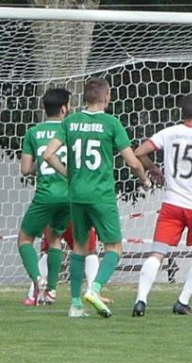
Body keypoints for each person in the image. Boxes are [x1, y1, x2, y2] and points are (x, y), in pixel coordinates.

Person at [44, 77, 149, 318]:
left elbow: (49, 155)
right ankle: (95, 288)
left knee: (79, 248)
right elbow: (132, 161)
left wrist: (69, 175)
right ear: (107, 97)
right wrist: (143, 178)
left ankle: (75, 305)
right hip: (101, 195)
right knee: (115, 247)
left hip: (77, 194)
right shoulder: (111, 123)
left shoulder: (70, 122)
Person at [131, 93, 192, 317]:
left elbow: (138, 153)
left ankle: (141, 299)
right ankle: (182, 301)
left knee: (157, 253)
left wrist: (153, 169)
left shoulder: (169, 133)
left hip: (171, 204)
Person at [18, 88, 72, 307]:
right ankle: (51, 292)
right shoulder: (71, 130)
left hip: (46, 195)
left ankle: (37, 279)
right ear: (63, 108)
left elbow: (25, 169)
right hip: (69, 195)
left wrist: (40, 165)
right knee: (56, 240)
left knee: (25, 239)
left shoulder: (33, 133)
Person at [22, 225, 110, 305]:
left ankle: (33, 294)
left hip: (53, 212)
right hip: (74, 213)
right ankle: (92, 292)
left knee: (51, 249)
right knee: (89, 251)